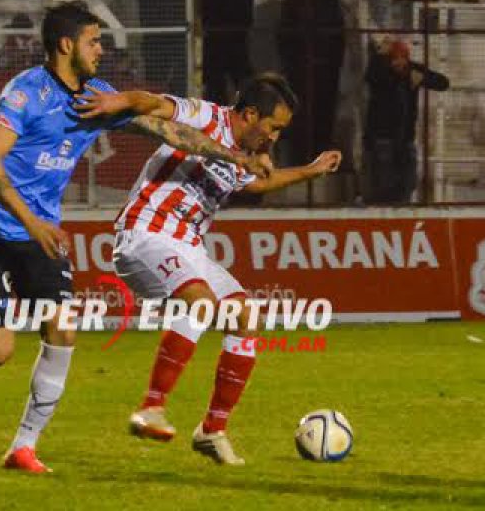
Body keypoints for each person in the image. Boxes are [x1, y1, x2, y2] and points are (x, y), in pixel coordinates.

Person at [0, 1, 270, 474]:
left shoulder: (98, 97)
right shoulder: (24, 93)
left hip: (41, 234)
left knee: (63, 328)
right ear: (67, 45)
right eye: (94, 41)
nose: (101, 50)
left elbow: (171, 132)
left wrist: (233, 156)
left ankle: (23, 447)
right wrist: (32, 223)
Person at [79, 73, 341, 465]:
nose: (275, 138)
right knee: (199, 301)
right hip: (146, 232)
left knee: (245, 316)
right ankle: (151, 407)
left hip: (188, 247)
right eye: (273, 127)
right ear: (250, 114)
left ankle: (212, 430)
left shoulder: (244, 153)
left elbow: (253, 185)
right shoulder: (204, 117)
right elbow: (154, 104)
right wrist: (119, 101)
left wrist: (310, 169)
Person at [363, 39, 449, 204]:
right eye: (395, 58)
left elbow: (443, 83)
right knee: (383, 183)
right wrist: (380, 55)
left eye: (402, 58)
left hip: (406, 139)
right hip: (382, 138)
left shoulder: (412, 70)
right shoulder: (380, 71)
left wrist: (422, 78)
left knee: (407, 182)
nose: (399, 63)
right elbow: (372, 76)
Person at [277, 0, 345, 167]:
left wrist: (333, 64)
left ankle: (319, 156)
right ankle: (301, 158)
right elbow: (284, 36)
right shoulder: (294, 3)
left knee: (322, 113)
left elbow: (338, 38)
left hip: (322, 69)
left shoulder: (328, 3)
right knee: (301, 113)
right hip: (302, 69)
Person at [199, 0, 253, 104]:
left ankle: (222, 117)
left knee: (220, 83)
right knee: (223, 83)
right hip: (228, 39)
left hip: (222, 39)